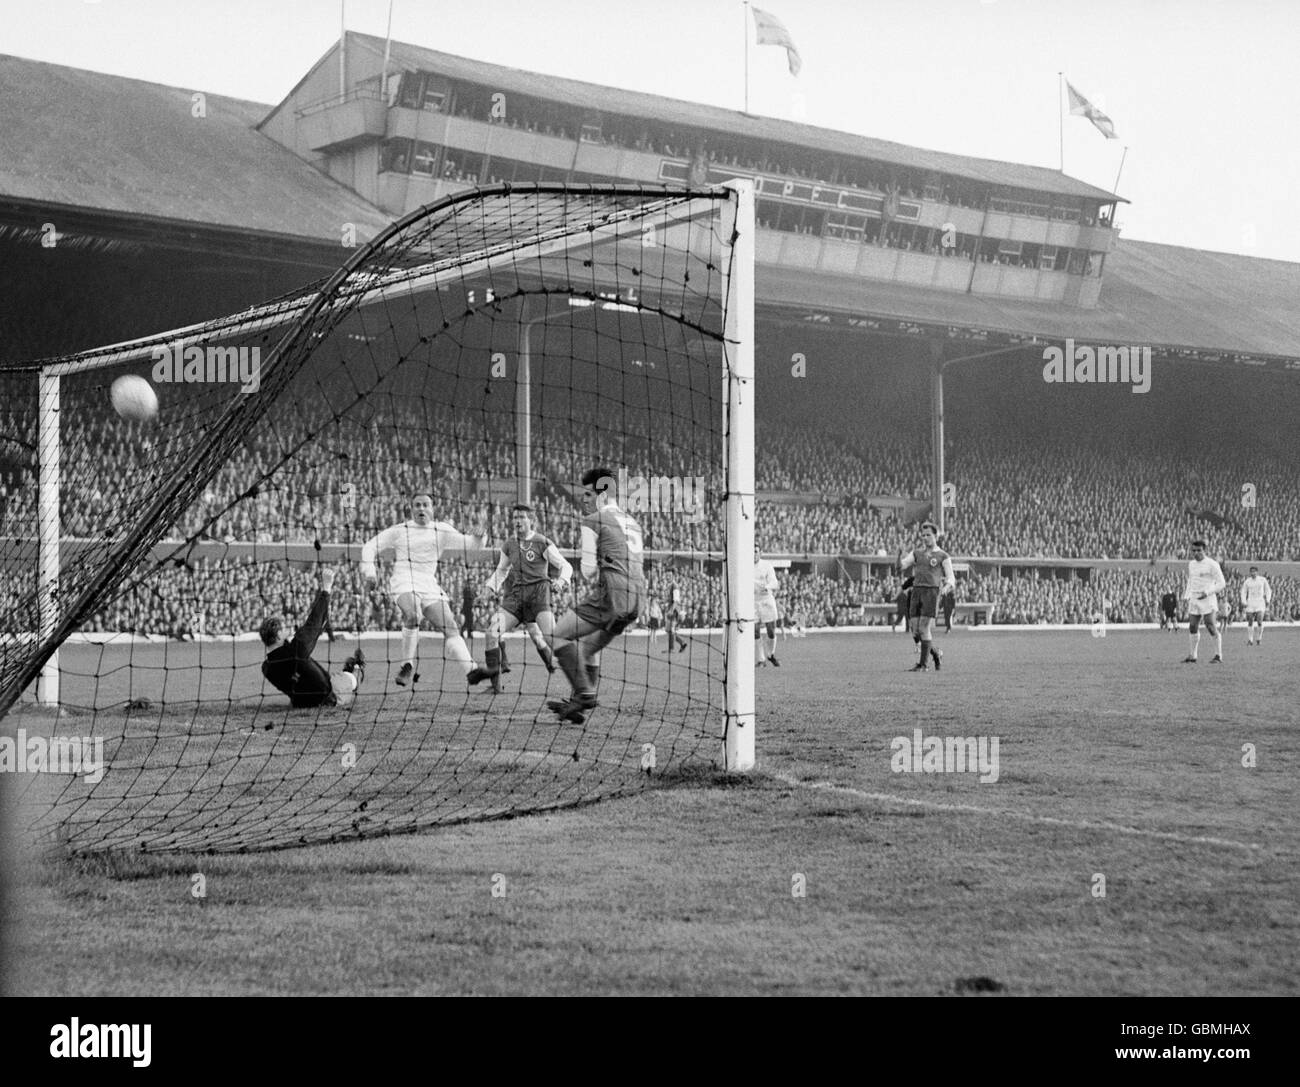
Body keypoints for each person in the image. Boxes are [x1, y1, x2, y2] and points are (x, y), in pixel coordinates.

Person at [546, 467, 645, 724]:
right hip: (637, 598)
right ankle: (578, 703)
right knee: (588, 649)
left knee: (558, 635)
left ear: (603, 494)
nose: (584, 499)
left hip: (613, 593)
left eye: (589, 494)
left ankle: (585, 693)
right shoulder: (633, 522)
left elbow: (588, 571)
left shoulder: (593, 520)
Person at [360, 493, 490, 687]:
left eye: (425, 505)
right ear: (411, 509)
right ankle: (407, 666)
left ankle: (471, 671)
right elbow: (370, 546)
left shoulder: (442, 530)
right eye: (417, 505)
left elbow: (470, 545)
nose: (421, 508)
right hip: (404, 580)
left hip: (428, 584)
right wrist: (370, 571)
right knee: (413, 615)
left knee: (451, 627)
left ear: (432, 508)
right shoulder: (400, 530)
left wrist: (480, 536)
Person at [476, 504, 572, 693]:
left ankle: (579, 679)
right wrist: (488, 589)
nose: (517, 521)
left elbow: (565, 565)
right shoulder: (509, 544)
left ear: (531, 520)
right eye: (515, 518)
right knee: (491, 632)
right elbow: (501, 571)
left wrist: (561, 581)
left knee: (551, 638)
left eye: (521, 517)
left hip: (539, 597)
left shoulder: (542, 542)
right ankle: (496, 687)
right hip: (517, 598)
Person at [260, 567, 364, 708]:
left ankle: (350, 669)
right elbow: (313, 624)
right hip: (329, 696)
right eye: (283, 629)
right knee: (351, 679)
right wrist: (326, 589)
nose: (287, 629)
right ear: (278, 635)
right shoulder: (296, 650)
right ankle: (356, 668)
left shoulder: (266, 668)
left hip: (301, 702)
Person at [900, 522, 955, 672]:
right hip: (916, 591)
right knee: (915, 630)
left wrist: (946, 588)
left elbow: (951, 578)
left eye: (928, 535)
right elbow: (903, 565)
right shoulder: (917, 553)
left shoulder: (943, 555)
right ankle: (935, 653)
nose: (925, 538)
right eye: (923, 535)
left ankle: (923, 665)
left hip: (931, 592)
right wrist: (899, 556)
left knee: (924, 627)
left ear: (935, 536)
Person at [1182, 539, 1226, 664]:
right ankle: (1193, 655)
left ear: (1205, 550)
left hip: (1208, 598)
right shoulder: (1191, 564)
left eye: (1199, 550)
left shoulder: (1212, 564)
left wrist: (1207, 592)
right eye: (1194, 550)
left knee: (1210, 625)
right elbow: (1191, 581)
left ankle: (1218, 655)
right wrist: (1187, 596)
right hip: (1194, 598)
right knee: (1192, 626)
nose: (1196, 553)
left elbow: (1222, 583)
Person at [754, 546, 781, 667]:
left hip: (766, 599)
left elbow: (774, 582)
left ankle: (770, 654)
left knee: (771, 630)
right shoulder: (744, 565)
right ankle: (761, 659)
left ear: (760, 552)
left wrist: (767, 587)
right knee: (755, 630)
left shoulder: (767, 565)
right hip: (752, 600)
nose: (753, 554)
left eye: (755, 551)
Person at [1240, 565, 1272, 646]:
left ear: (1257, 572)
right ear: (1250, 572)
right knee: (1250, 621)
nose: (1253, 573)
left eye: (1254, 571)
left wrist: (1268, 599)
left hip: (1260, 602)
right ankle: (1250, 640)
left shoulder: (1262, 580)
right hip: (1250, 602)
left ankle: (1259, 639)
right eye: (1251, 571)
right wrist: (1243, 601)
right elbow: (1243, 592)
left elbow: (1268, 590)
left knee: (1259, 620)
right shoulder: (1247, 581)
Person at [663, 581, 687, 654]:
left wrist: (671, 610)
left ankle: (671, 649)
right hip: (670, 609)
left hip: (674, 610)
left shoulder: (675, 586)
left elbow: (676, 601)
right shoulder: (669, 585)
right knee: (668, 630)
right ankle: (682, 642)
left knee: (671, 629)